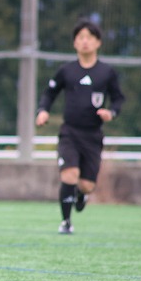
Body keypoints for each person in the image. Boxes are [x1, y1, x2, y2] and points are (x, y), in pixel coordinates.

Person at [36, 18, 125, 235]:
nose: (85, 41)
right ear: (75, 43)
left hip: (93, 135)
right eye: (80, 37)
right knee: (69, 175)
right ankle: (66, 222)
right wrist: (43, 110)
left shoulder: (106, 72)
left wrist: (111, 113)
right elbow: (49, 93)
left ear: (98, 42)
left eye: (90, 37)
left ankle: (81, 194)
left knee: (86, 185)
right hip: (69, 132)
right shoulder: (66, 71)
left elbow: (118, 99)